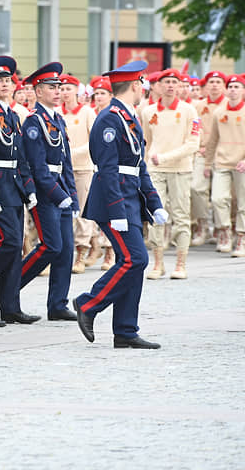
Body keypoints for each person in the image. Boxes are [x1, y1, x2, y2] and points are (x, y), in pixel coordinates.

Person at [74, 60, 168, 349]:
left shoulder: (128, 117)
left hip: (129, 198)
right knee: (135, 259)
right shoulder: (110, 118)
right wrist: (116, 211)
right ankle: (89, 303)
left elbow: (138, 166)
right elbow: (109, 167)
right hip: (113, 200)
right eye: (143, 86)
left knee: (134, 263)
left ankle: (125, 330)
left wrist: (154, 203)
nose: (144, 91)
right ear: (136, 85)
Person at [0, 56, 40, 322]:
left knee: (16, 248)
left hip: (14, 186)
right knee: (9, 241)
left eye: (8, 80)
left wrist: (29, 188)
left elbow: (20, 157)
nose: (5, 84)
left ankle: (10, 305)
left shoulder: (12, 115)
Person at [19, 62, 79, 321]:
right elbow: (38, 166)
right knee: (52, 246)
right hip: (45, 193)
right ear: (37, 91)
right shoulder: (35, 122)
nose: (57, 92)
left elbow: (65, 161)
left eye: (59, 87)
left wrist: (72, 197)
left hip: (60, 190)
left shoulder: (57, 119)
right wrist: (58, 194)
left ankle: (57, 304)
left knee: (66, 249)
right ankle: (12, 284)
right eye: (51, 87)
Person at [140, 69, 200, 278]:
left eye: (175, 82)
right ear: (158, 85)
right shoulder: (148, 112)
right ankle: (158, 263)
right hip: (155, 170)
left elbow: (193, 143)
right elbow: (145, 142)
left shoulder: (189, 111)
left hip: (180, 168)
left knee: (181, 215)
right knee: (156, 214)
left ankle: (180, 263)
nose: (170, 86)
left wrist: (165, 157)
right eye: (166, 82)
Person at [57, 74, 96, 274]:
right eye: (61, 89)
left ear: (77, 91)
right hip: (60, 171)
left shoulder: (87, 112)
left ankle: (81, 252)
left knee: (81, 211)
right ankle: (64, 252)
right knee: (62, 213)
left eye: (68, 88)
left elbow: (94, 141)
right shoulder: (56, 112)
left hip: (82, 168)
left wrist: (72, 154)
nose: (64, 92)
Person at [204, 74, 245, 257]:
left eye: (237, 87)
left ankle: (242, 237)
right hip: (221, 161)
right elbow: (213, 140)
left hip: (242, 163)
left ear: (243, 90)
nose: (233, 90)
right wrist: (207, 163)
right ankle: (225, 232)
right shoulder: (219, 112)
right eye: (230, 87)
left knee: (243, 203)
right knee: (218, 199)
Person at [190, 70, 227, 246]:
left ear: (224, 86)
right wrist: (200, 146)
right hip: (202, 152)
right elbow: (193, 128)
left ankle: (223, 229)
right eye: (211, 82)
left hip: (224, 153)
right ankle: (202, 225)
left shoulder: (229, 105)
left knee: (224, 196)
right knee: (196, 187)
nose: (214, 85)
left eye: (218, 82)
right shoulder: (198, 106)